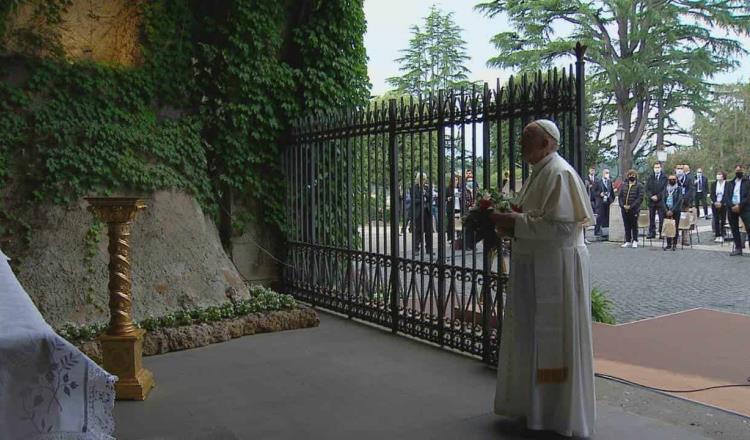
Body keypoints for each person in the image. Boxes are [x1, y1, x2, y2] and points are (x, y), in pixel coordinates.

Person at [490, 119, 595, 438]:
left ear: (547, 143)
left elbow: (564, 227)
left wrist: (515, 222)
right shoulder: (540, 173)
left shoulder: (559, 172)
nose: (520, 144)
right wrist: (510, 222)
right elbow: (536, 218)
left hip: (556, 269)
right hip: (537, 264)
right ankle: (536, 410)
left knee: (552, 340)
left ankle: (557, 414)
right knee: (531, 337)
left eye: (527, 139)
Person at [723, 165, 750, 256]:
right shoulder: (730, 183)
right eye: (737, 170)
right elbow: (726, 196)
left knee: (748, 227)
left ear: (743, 171)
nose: (738, 172)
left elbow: (748, 197)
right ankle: (738, 248)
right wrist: (732, 206)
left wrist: (740, 205)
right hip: (732, 208)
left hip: (744, 208)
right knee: (734, 228)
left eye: (740, 170)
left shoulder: (747, 182)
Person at [409, 172, 434, 254]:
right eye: (421, 178)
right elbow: (413, 200)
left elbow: (430, 198)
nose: (422, 180)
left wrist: (425, 194)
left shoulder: (427, 188)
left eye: (424, 179)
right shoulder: (414, 188)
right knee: (418, 231)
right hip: (418, 212)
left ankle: (429, 249)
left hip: (427, 211)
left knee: (429, 231)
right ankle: (416, 248)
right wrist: (422, 200)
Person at [619, 169, 644, 248]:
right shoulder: (623, 185)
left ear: (635, 176)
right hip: (624, 209)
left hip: (634, 209)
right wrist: (623, 206)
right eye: (630, 175)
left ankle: (635, 240)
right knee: (626, 225)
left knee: (634, 225)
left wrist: (631, 206)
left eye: (633, 175)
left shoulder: (639, 185)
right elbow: (620, 197)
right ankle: (628, 240)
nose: (631, 176)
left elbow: (639, 198)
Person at [646, 162, 667, 239]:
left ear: (660, 168)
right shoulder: (650, 177)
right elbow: (647, 188)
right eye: (655, 167)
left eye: (658, 167)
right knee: (651, 217)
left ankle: (661, 232)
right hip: (651, 201)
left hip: (660, 201)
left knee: (662, 217)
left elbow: (665, 189)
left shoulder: (664, 177)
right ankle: (652, 232)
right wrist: (651, 196)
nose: (657, 169)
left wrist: (658, 196)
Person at [663, 174, 683, 251]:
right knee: (668, 226)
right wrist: (666, 210)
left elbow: (679, 200)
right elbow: (663, 200)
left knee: (675, 227)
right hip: (666, 210)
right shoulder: (665, 189)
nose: (672, 180)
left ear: (676, 180)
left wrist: (672, 210)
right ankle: (668, 244)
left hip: (676, 210)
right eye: (670, 179)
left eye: (673, 179)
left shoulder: (678, 189)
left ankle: (674, 243)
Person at [592, 168, 613, 236]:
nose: (607, 174)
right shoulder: (598, 182)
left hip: (607, 201)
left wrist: (612, 200)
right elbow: (593, 192)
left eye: (608, 173)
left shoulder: (609, 182)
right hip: (600, 201)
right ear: (603, 173)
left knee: (607, 216)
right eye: (606, 173)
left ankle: (605, 232)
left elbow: (612, 192)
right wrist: (599, 194)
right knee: (599, 216)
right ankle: (597, 231)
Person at [711, 171, 727, 243]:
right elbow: (712, 194)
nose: (718, 175)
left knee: (723, 220)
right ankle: (717, 235)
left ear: (723, 176)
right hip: (715, 204)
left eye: (720, 174)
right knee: (716, 219)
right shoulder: (714, 184)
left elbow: (727, 194)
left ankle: (723, 234)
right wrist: (715, 202)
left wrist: (721, 202)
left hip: (723, 204)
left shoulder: (727, 184)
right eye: (717, 174)